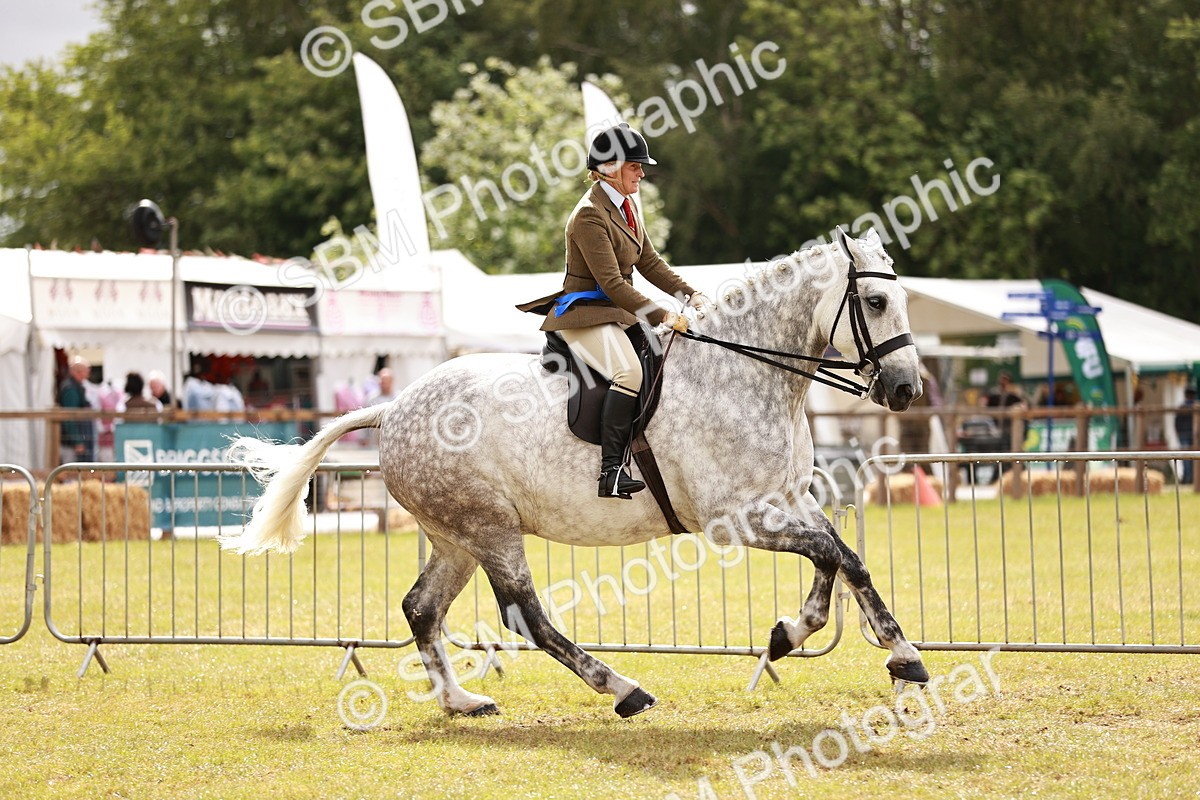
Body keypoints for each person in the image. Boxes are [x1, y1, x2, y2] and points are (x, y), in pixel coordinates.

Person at [517, 123, 704, 499]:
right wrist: (663, 315)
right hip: (586, 314)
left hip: (619, 313)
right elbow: (613, 285)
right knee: (629, 371)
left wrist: (690, 293)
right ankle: (611, 471)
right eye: (635, 166)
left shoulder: (628, 206)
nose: (642, 173)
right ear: (610, 168)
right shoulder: (588, 215)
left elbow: (649, 262)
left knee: (667, 358)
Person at [57, 355, 95, 464]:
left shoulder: (75, 386)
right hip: (71, 443)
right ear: (78, 371)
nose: (88, 373)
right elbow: (69, 417)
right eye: (86, 370)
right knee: (72, 471)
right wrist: (77, 441)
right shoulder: (71, 389)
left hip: (77, 439)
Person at [982, 371, 1027, 449]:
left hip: (1010, 427)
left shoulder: (1013, 395)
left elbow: (1023, 404)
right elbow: (986, 407)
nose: (1003, 382)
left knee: (1009, 445)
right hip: (995, 426)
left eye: (1006, 380)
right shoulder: (994, 394)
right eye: (1002, 380)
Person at [1175, 387, 1196, 483]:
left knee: (1185, 457)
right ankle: (1193, 477)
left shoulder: (1182, 406)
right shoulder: (1195, 406)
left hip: (1184, 434)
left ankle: (1187, 478)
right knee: (1194, 457)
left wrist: (1179, 433)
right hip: (1194, 435)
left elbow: (1177, 422)